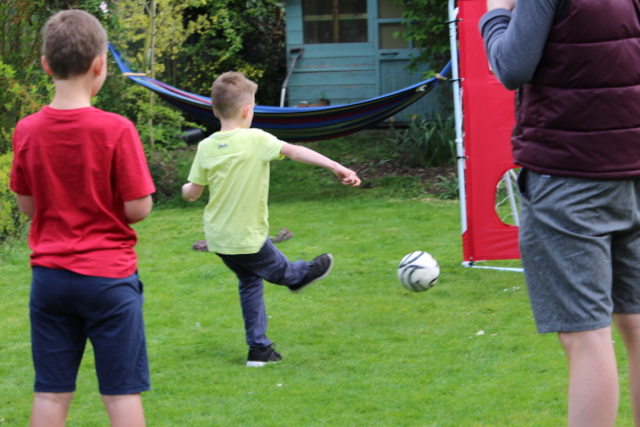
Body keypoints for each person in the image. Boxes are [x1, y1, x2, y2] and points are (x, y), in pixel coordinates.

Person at [480, 0, 640, 426]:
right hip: (633, 168)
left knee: (586, 336)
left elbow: (511, 67)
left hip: (570, 176)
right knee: (637, 325)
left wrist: (495, 13)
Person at [9, 10, 155, 427]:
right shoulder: (117, 129)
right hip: (108, 279)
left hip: (50, 280)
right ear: (100, 64)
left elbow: (28, 206)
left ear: (46, 65)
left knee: (50, 393)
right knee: (121, 393)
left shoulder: (27, 130)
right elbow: (138, 208)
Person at [182, 71, 360, 367]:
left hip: (218, 239)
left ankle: (259, 350)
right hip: (246, 237)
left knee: (250, 281)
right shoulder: (255, 138)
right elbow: (296, 151)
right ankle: (300, 274)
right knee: (283, 272)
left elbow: (193, 192)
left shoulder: (206, 147)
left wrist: (185, 190)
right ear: (247, 110)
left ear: (214, 111)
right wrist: (336, 166)